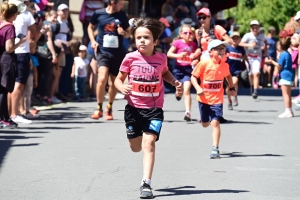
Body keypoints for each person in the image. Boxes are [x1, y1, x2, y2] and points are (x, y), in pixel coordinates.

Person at [114, 18, 182, 199]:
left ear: (155, 41)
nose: (142, 41)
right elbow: (118, 79)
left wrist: (174, 81)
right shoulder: (130, 58)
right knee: (136, 147)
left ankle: (146, 183)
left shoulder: (161, 58)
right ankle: (134, 138)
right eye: (139, 38)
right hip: (133, 109)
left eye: (146, 37)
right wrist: (121, 87)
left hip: (154, 109)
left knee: (148, 144)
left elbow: (165, 72)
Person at [191, 39, 236, 159]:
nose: (221, 51)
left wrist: (231, 87)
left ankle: (215, 148)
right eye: (218, 49)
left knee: (215, 123)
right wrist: (197, 88)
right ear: (211, 52)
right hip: (203, 100)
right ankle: (204, 120)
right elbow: (193, 77)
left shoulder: (225, 65)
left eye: (223, 49)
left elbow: (228, 76)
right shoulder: (204, 63)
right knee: (205, 124)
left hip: (217, 100)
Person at [88, 0, 131, 120]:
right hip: (103, 52)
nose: (122, 6)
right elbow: (90, 27)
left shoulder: (122, 15)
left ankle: (109, 107)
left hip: (118, 53)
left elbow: (128, 33)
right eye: (120, 3)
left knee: (114, 82)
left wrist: (123, 33)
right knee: (102, 78)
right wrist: (93, 41)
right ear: (112, 2)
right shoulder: (98, 13)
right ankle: (99, 108)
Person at [8, 0, 40, 124]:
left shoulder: (6, 11)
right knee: (19, 84)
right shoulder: (26, 14)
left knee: (10, 84)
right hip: (21, 51)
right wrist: (40, 29)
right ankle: (14, 114)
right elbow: (34, 34)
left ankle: (10, 114)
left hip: (10, 51)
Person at [0, 2, 27, 128]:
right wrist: (21, 42)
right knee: (3, 90)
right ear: (14, 14)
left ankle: (5, 118)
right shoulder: (10, 27)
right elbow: (9, 48)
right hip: (6, 61)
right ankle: (3, 118)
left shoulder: (1, 24)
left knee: (2, 90)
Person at [167, 24, 200, 121]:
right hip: (178, 69)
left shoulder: (193, 44)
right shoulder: (177, 43)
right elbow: (169, 54)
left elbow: (196, 56)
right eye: (185, 33)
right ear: (181, 34)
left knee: (187, 90)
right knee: (180, 90)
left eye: (190, 33)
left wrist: (195, 59)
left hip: (188, 70)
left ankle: (188, 112)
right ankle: (178, 94)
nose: (188, 35)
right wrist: (179, 55)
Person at [266, 31, 294, 118]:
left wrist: (271, 61)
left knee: (285, 94)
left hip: (285, 75)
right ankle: (290, 110)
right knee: (288, 94)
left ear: (281, 46)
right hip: (289, 75)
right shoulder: (288, 53)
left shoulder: (283, 54)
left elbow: (279, 65)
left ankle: (287, 110)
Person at [239, 20, 267, 99]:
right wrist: (249, 45)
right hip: (249, 57)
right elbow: (240, 43)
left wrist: (265, 50)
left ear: (258, 28)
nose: (255, 29)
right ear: (251, 28)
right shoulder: (248, 36)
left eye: (256, 27)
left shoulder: (261, 36)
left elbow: (265, 41)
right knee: (250, 74)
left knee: (256, 73)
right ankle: (252, 86)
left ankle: (255, 91)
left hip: (257, 57)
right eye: (253, 27)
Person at [226, 32, 250, 110]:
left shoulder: (241, 49)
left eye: (237, 38)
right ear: (230, 39)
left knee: (234, 82)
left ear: (239, 40)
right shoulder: (228, 48)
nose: (235, 40)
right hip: (228, 70)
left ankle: (234, 96)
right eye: (233, 38)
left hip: (237, 69)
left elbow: (244, 56)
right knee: (228, 86)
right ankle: (229, 100)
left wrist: (248, 63)